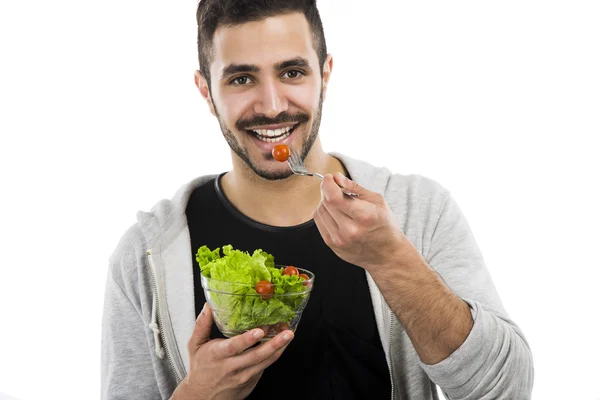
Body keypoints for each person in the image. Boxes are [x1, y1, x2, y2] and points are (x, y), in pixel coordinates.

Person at [101, 0, 534, 399]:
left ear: (324, 75)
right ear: (205, 92)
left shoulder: (418, 211)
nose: (271, 106)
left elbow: (506, 389)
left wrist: (392, 260)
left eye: (292, 73)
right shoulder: (147, 252)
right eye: (241, 78)